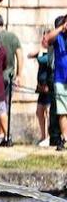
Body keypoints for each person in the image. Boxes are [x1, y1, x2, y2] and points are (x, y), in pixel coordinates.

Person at [0, 13, 22, 147]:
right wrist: (19, 75)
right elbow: (20, 56)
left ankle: (5, 135)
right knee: (4, 106)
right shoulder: (13, 37)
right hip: (9, 76)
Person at [43, 15, 67, 151]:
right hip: (60, 78)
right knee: (62, 111)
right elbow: (46, 40)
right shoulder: (58, 37)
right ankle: (64, 137)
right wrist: (60, 28)